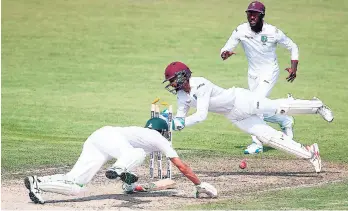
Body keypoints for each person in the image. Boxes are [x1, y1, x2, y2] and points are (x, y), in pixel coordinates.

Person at [163, 61, 334, 174]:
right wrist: (171, 123)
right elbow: (180, 117)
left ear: (182, 76)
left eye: (172, 80)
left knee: (278, 108)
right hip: (234, 115)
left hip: (242, 100)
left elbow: (201, 115)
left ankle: (316, 105)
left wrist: (181, 122)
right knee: (267, 137)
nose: (171, 84)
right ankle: (310, 153)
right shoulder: (181, 95)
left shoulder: (200, 84)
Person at [24, 118, 218, 204]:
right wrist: (199, 184)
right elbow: (181, 166)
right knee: (137, 154)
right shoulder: (158, 138)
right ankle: (117, 170)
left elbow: (127, 156)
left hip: (97, 139)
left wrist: (130, 183)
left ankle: (38, 183)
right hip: (109, 136)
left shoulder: (139, 135)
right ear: (162, 132)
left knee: (76, 184)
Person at [220, 1, 300, 154]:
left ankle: (257, 143)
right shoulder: (240, 30)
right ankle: (284, 120)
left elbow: (292, 46)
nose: (251, 16)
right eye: (249, 13)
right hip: (253, 74)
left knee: (253, 105)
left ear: (262, 15)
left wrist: (294, 68)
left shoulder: (273, 32)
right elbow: (226, 48)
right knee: (258, 107)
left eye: (255, 14)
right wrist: (224, 53)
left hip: (269, 72)